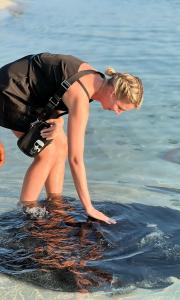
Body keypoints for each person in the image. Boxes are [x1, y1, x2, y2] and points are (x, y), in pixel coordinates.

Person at [0, 53, 144, 224]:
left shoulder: (95, 79)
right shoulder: (81, 97)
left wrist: (58, 121)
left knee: (61, 145)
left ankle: (55, 202)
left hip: (30, 91)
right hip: (9, 91)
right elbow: (76, 159)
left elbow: (56, 88)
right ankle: (27, 208)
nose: (118, 113)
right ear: (113, 92)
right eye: (120, 107)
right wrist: (88, 207)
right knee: (47, 153)